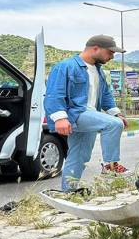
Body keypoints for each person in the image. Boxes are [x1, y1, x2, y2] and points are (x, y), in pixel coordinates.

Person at [44, 35, 128, 190]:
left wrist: (116, 113)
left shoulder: (98, 71)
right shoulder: (65, 66)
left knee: (79, 156)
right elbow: (54, 94)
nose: (112, 56)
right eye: (110, 52)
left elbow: (106, 95)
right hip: (75, 114)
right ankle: (110, 166)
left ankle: (69, 192)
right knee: (114, 125)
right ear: (95, 48)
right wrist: (59, 118)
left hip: (89, 114)